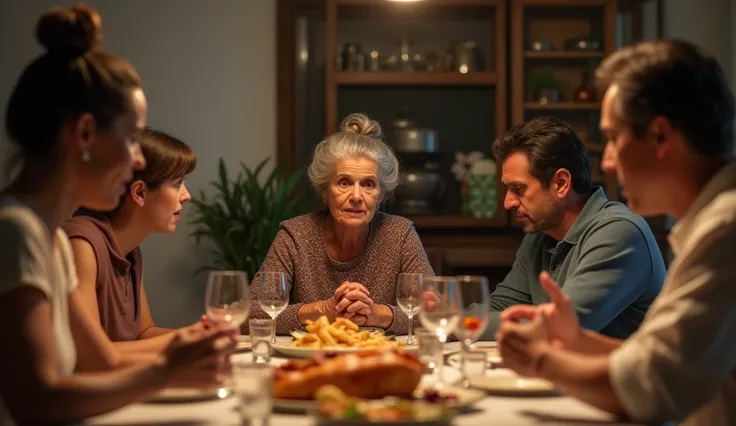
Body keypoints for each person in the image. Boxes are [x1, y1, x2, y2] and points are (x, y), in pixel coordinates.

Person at [0, 5, 234, 425]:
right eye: (130, 139)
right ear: (85, 134)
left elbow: (102, 361)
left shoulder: (48, 236)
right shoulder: (15, 231)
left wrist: (183, 353)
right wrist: (166, 371)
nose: (135, 161)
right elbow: (34, 400)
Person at [496, 39, 736, 426]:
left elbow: (654, 385)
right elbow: (655, 356)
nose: (606, 159)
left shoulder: (726, 230)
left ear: (660, 136)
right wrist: (575, 338)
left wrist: (540, 359)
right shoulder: (711, 223)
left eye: (613, 137)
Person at [246, 113, 434, 335]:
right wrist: (321, 310)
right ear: (324, 190)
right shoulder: (295, 235)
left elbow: (439, 317)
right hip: (312, 361)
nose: (356, 196)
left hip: (378, 360)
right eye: (344, 182)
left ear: (380, 195)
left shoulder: (400, 234)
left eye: (368, 184)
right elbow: (246, 315)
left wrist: (376, 314)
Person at [481, 116, 665, 340]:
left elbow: (557, 328)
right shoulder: (539, 237)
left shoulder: (620, 232)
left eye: (518, 189)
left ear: (561, 184)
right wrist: (458, 320)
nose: (508, 203)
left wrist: (454, 321)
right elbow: (497, 308)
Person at [63, 128, 196, 352]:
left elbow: (143, 334)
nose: (187, 195)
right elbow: (93, 355)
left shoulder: (130, 249)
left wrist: (201, 333)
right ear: (139, 193)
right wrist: (188, 339)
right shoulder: (82, 244)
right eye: (177, 184)